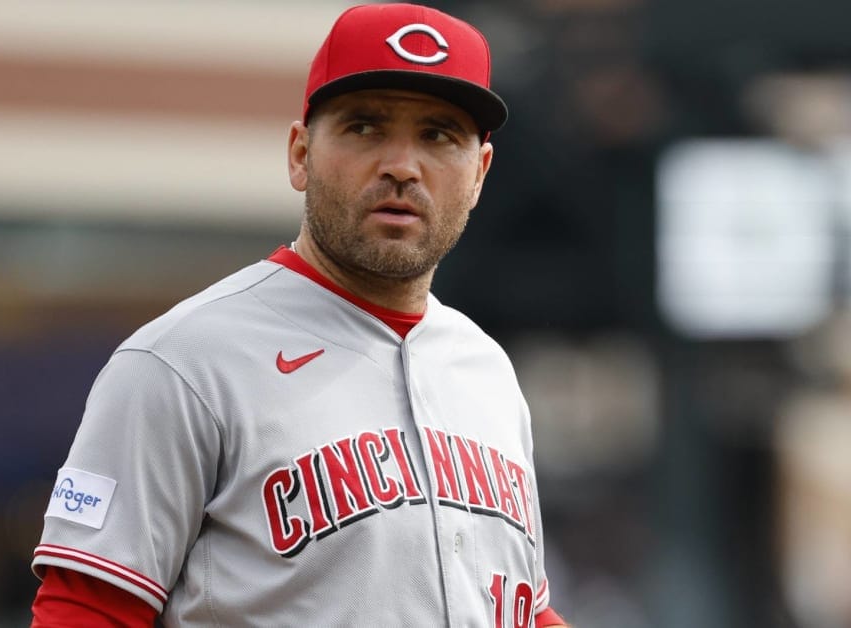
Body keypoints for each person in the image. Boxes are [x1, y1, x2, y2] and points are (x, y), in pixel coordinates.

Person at [30, 3, 568, 626]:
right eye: (365, 127)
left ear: (479, 175)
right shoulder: (182, 362)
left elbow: (521, 607)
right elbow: (85, 608)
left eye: (438, 135)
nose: (401, 165)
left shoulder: (487, 371)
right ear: (300, 154)